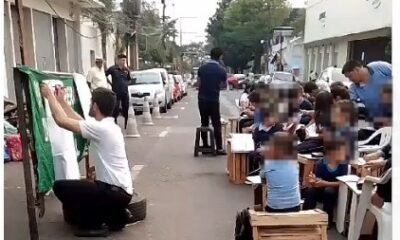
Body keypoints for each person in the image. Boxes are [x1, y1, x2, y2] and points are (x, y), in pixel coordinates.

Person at [40, 85, 133, 237]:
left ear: (95, 106)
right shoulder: (108, 126)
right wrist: (61, 102)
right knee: (88, 187)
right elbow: (79, 120)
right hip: (121, 193)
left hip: (113, 193)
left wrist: (49, 95)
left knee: (60, 187)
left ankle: (94, 224)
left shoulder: (102, 129)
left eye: (91, 103)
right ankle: (115, 214)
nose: (90, 105)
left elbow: (62, 121)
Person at [303, 139, 348, 227]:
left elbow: (343, 183)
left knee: (329, 191)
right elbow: (318, 181)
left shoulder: (342, 164)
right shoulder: (321, 163)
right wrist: (313, 181)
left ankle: (327, 219)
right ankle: (305, 217)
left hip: (336, 190)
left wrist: (325, 183)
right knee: (310, 192)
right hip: (321, 188)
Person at [197, 48, 228, 155]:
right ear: (220, 57)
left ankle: (205, 146)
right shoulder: (221, 70)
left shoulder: (202, 68)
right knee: (216, 124)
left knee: (204, 122)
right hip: (214, 100)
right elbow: (224, 85)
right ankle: (219, 148)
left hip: (202, 99)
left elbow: (198, 83)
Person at [262, 132, 301, 212]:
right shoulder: (294, 161)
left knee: (264, 186)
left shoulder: (269, 163)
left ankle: (263, 212)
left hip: (274, 208)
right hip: (295, 206)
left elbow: (263, 177)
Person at [106, 54, 132, 129]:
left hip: (125, 92)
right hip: (116, 92)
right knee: (116, 109)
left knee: (126, 108)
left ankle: (127, 125)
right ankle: (115, 123)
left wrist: (126, 83)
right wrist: (110, 83)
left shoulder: (126, 70)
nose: (124, 62)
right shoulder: (113, 69)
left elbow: (129, 79)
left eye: (124, 60)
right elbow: (105, 75)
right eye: (122, 60)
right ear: (118, 60)